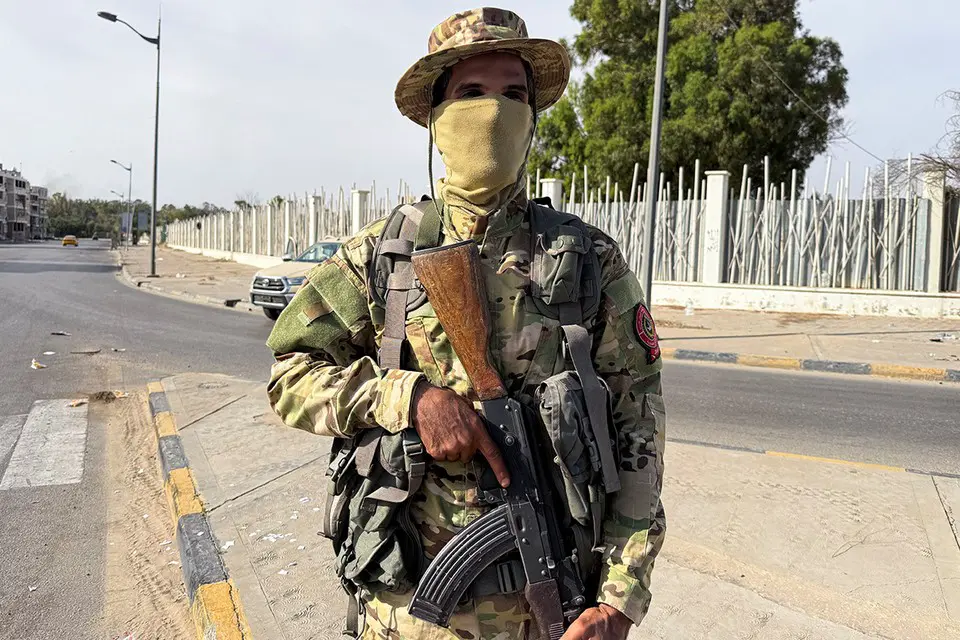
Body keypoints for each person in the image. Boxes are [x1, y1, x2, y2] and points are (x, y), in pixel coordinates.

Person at [266, 7, 666, 639]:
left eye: (513, 94)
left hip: (552, 613)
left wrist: (620, 598)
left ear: (532, 119)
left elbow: (638, 424)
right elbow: (289, 376)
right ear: (436, 117)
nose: (494, 112)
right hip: (408, 611)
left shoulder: (589, 259)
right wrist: (408, 399)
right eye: (472, 92)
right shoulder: (383, 256)